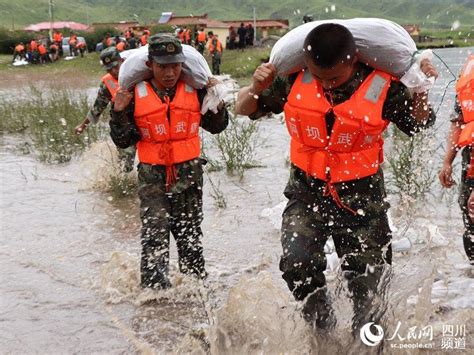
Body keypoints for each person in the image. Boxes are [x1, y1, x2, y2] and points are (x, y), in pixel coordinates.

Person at [236, 23, 438, 332]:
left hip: (363, 205)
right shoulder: (294, 81)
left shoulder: (383, 85)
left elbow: (418, 124)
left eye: (334, 78)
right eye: (319, 77)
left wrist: (421, 88)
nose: (326, 85)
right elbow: (243, 108)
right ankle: (323, 333)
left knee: (368, 290)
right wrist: (255, 88)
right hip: (306, 196)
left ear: (353, 60)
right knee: (297, 266)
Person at [109, 34, 229, 289]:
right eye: (163, 66)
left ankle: (195, 293)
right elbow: (122, 140)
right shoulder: (133, 94)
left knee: (190, 237)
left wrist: (216, 99)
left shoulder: (196, 92)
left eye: (175, 65)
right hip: (152, 178)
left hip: (189, 176)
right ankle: (155, 298)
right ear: (150, 64)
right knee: (154, 236)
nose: (170, 72)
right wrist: (118, 111)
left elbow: (217, 127)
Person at [74, 47, 136, 172]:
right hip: (124, 124)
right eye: (109, 69)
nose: (114, 71)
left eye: (116, 66)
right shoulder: (108, 83)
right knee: (126, 161)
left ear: (122, 61)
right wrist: (83, 125)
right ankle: (123, 183)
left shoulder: (138, 74)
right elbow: (98, 107)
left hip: (145, 120)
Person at [439, 54, 474, 265]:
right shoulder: (469, 72)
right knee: (470, 221)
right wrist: (447, 161)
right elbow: (459, 120)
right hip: (469, 163)